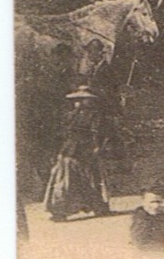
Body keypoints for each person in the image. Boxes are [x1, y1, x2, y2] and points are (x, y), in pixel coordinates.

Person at [43, 84, 113, 220]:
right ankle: (60, 210)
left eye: (83, 99)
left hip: (86, 148)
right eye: (77, 99)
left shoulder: (95, 115)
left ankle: (99, 206)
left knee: (92, 177)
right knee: (65, 178)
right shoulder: (70, 115)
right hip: (69, 150)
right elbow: (62, 133)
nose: (79, 102)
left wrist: (98, 147)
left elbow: (100, 133)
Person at [129, 184, 164, 256]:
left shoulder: (162, 217)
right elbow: (138, 240)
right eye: (152, 202)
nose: (156, 205)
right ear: (143, 202)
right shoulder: (140, 218)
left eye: (159, 202)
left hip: (162, 252)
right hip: (146, 254)